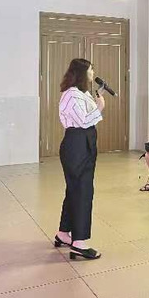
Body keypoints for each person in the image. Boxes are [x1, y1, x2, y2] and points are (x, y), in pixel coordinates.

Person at [54, 58, 105, 260]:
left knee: (74, 190)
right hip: (76, 146)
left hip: (85, 144)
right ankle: (79, 242)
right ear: (82, 72)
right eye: (91, 70)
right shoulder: (71, 94)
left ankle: (63, 233)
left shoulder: (82, 93)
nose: (93, 73)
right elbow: (83, 120)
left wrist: (97, 101)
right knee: (83, 191)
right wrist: (100, 107)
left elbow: (88, 116)